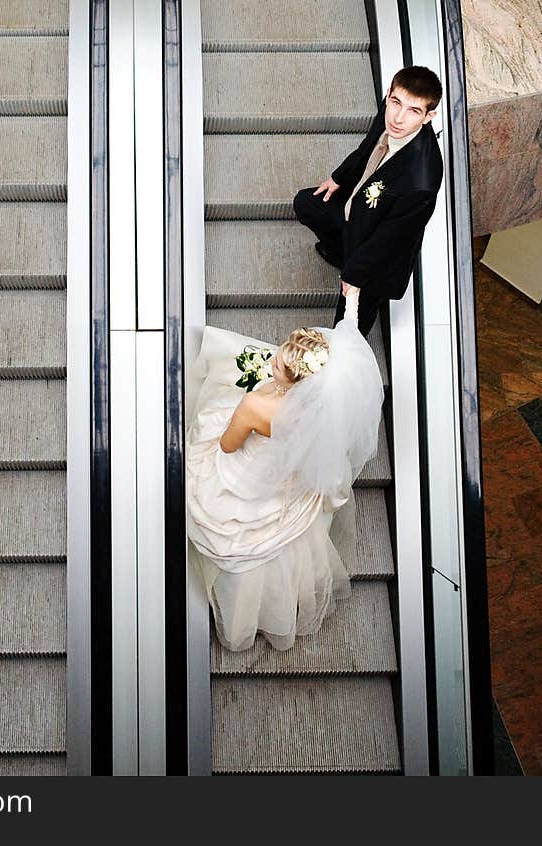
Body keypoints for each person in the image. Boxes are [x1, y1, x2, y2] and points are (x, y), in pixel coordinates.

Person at [186, 288, 384, 653]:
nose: (272, 363)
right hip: (288, 479)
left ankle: (237, 621)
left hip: (253, 474)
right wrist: (353, 300)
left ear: (296, 381)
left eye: (276, 364)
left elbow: (228, 446)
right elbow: (348, 337)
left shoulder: (255, 405)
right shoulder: (325, 405)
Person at [292, 65, 444, 337]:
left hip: (377, 256)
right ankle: (338, 251)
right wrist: (340, 177)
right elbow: (368, 146)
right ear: (389, 95)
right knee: (307, 203)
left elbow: (390, 239)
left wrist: (354, 275)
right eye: (396, 103)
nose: (398, 117)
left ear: (429, 116)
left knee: (348, 327)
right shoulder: (389, 115)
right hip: (357, 213)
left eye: (413, 111)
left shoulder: (421, 181)